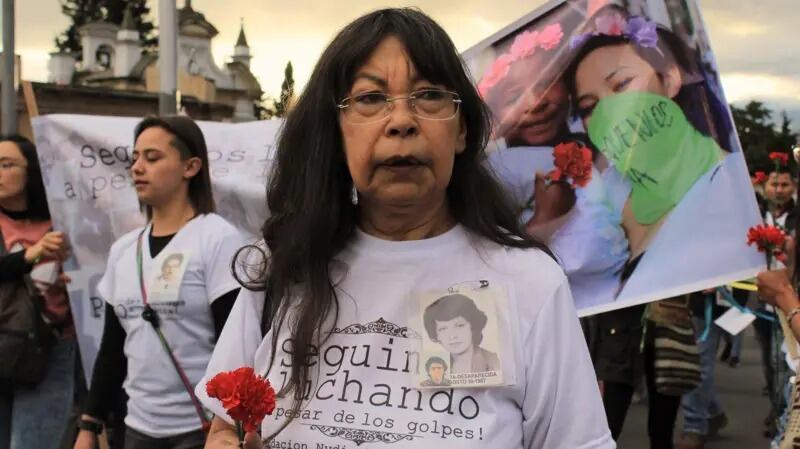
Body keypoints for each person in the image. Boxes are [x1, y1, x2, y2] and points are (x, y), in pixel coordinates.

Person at [199, 8, 614, 449]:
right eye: (370, 98)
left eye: (429, 95)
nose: (401, 121)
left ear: (461, 130)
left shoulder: (529, 281)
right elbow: (226, 424)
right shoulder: (285, 262)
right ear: (336, 132)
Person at [73, 116, 244, 449]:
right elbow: (112, 348)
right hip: (137, 428)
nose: (138, 167)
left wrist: (230, 426)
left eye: (152, 158)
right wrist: (89, 423)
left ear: (190, 167)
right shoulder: (123, 250)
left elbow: (235, 343)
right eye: (135, 158)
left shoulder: (218, 238)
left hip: (203, 430)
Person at [564, 5, 756, 301]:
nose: (608, 112)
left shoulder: (732, 185)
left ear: (669, 79)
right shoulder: (606, 189)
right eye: (589, 107)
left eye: (621, 84)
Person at [478, 4, 629, 310]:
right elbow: (489, 270)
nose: (536, 103)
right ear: (492, 112)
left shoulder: (604, 148)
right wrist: (545, 218)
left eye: (546, 82)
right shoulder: (496, 172)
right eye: (513, 96)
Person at [0, 135, 76, 449]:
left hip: (49, 350)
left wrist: (71, 282)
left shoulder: (63, 221)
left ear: (31, 170)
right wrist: (29, 256)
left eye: (6, 165)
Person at [423, 293, 500, 374]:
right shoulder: (437, 367)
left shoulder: (494, 362)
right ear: (436, 335)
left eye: (459, 325)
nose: (452, 336)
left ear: (472, 327)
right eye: (443, 329)